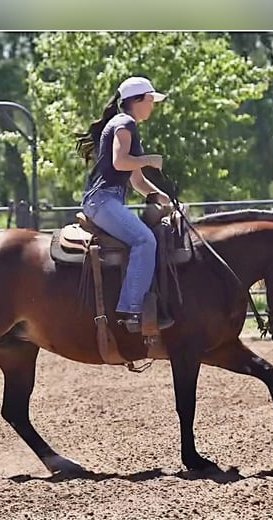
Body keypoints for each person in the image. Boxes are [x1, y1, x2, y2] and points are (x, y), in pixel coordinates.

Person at [76, 76, 174, 333]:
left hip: (106, 199)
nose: (152, 106)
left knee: (144, 238)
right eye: (150, 100)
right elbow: (121, 162)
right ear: (137, 101)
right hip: (103, 200)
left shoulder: (123, 123)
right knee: (145, 240)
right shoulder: (125, 123)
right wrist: (150, 159)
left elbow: (137, 181)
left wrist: (161, 196)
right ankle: (132, 310)